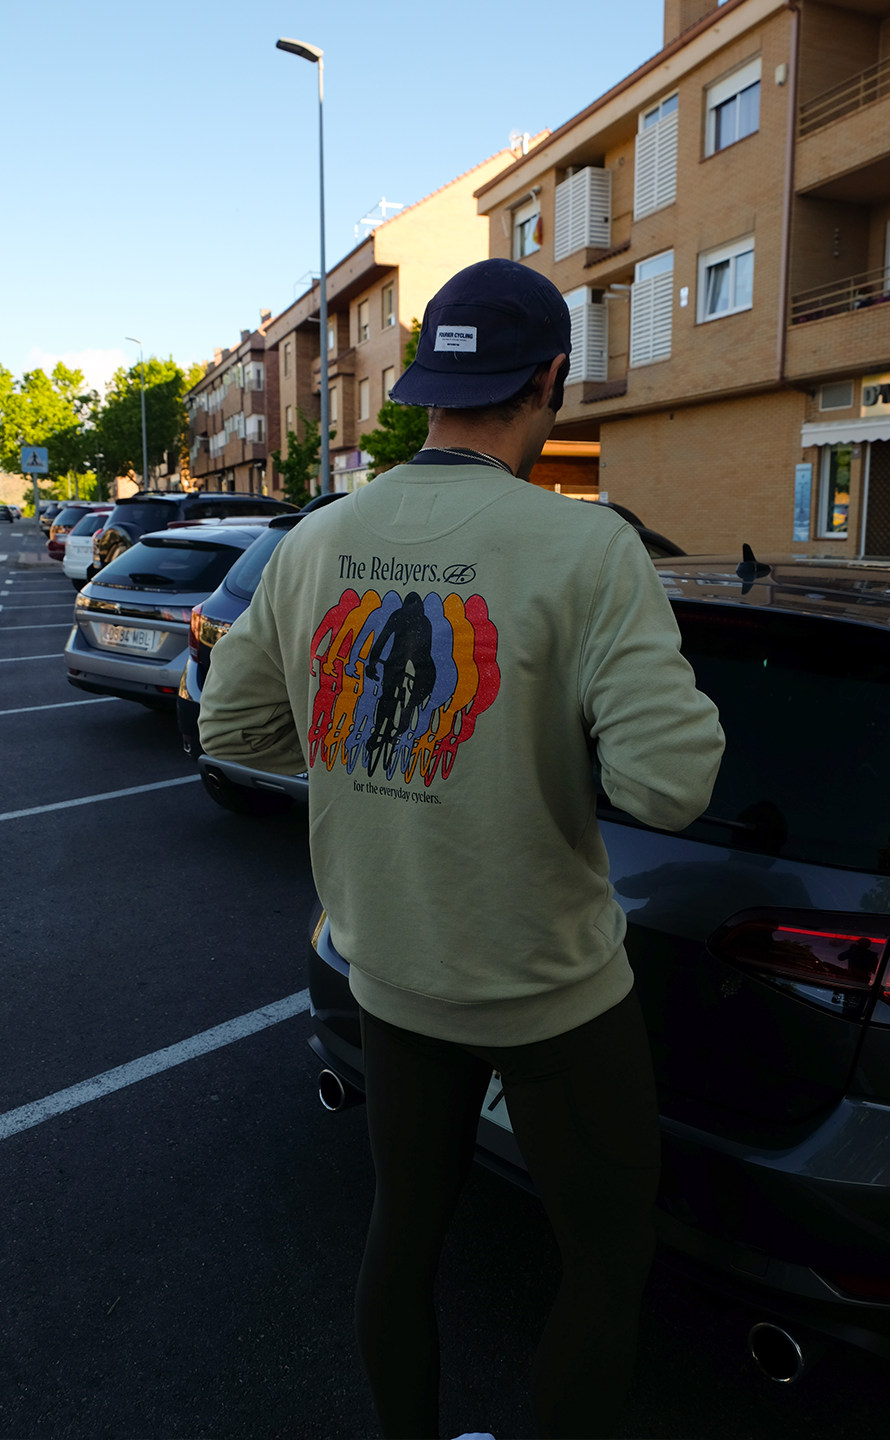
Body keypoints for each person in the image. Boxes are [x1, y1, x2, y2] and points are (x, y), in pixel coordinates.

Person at [199, 258, 725, 1440]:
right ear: (552, 379)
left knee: (402, 1235)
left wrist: (364, 772)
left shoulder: (316, 539)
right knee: (604, 1261)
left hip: (390, 976)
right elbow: (671, 786)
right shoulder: (589, 549)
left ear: (426, 386)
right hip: (554, 996)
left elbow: (231, 729)